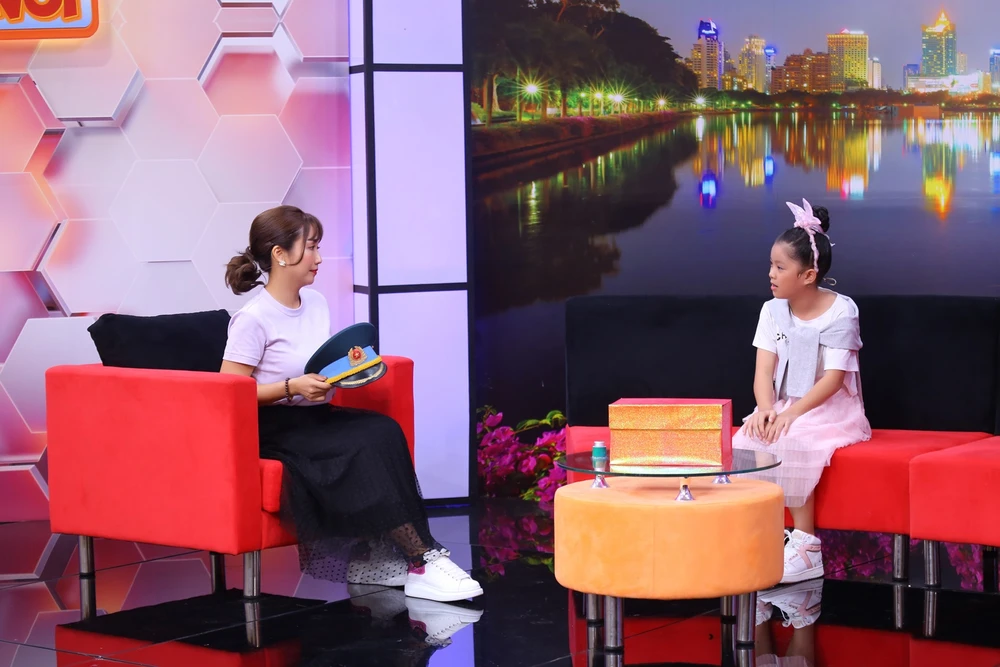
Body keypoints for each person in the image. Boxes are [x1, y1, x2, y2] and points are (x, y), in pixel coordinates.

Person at [219, 205, 483, 603]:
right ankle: (422, 560)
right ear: (280, 254)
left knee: (382, 429)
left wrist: (349, 369)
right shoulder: (252, 319)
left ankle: (376, 557)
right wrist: (291, 387)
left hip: (316, 417)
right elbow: (230, 392)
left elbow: (319, 366)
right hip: (276, 428)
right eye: (311, 247)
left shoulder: (316, 303)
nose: (319, 258)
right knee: (362, 443)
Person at [733, 199, 871, 584]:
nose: (771, 274)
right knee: (749, 438)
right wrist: (766, 408)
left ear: (808, 275)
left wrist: (791, 415)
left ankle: (807, 547)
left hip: (829, 407)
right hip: (784, 402)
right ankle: (763, 537)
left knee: (793, 438)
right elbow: (764, 371)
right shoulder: (772, 310)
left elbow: (833, 379)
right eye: (771, 265)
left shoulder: (842, 310)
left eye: (780, 267)